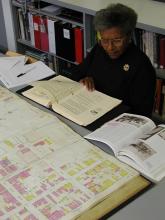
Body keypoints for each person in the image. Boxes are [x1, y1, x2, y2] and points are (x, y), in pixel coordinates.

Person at [71, 3, 156, 117]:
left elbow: (141, 113)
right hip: (87, 110)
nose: (110, 47)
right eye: (105, 40)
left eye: (117, 40)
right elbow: (77, 73)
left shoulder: (141, 65)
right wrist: (82, 80)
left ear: (129, 36)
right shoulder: (99, 48)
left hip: (115, 120)